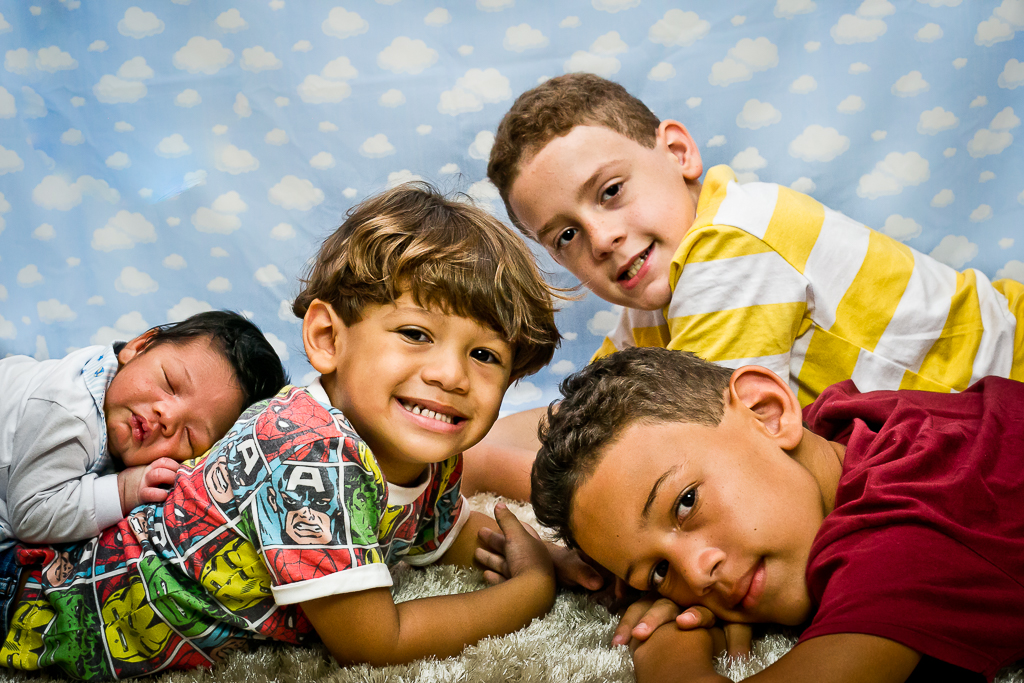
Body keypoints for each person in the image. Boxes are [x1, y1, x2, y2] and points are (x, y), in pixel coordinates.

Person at [0, 183, 573, 680]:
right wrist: (527, 593)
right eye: (415, 334)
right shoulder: (312, 458)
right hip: (38, 604)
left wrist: (558, 559)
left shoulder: (427, 446)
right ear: (327, 338)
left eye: (484, 354)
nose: (450, 375)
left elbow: (440, 532)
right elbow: (373, 641)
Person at [462, 72, 1024, 500]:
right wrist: (464, 439)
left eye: (610, 191)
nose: (602, 239)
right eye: (565, 236)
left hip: (1008, 381)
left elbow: (712, 461)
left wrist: (481, 467)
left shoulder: (732, 244)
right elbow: (579, 420)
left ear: (678, 154)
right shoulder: (655, 296)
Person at [517, 346, 1024, 683]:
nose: (697, 574)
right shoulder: (838, 430)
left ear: (766, 412)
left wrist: (668, 652)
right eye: (660, 571)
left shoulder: (913, 520)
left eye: (686, 502)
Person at [0, 309, 287, 543]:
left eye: (189, 435)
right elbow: (31, 516)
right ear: (137, 348)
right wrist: (124, 490)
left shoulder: (114, 391)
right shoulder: (71, 411)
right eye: (170, 383)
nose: (168, 416)